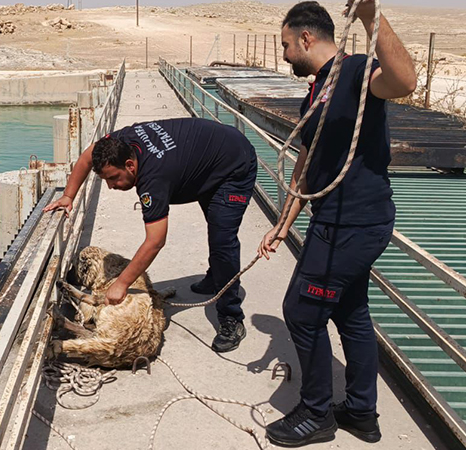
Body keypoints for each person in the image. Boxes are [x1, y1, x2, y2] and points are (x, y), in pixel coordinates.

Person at [258, 1, 416, 447]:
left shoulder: (355, 72)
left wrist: (370, 15)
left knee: (301, 311)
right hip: (339, 220)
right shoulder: (317, 91)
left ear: (306, 38)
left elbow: (405, 82)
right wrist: (284, 224)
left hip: (353, 223)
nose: (285, 54)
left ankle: (316, 413)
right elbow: (305, 165)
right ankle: (363, 414)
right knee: (352, 313)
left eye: (287, 45)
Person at [44, 117, 258, 352]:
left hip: (234, 164)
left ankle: (231, 317)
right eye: (105, 180)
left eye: (114, 178)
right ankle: (216, 276)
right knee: (216, 228)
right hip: (208, 155)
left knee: (222, 238)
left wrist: (121, 284)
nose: (111, 186)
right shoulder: (118, 142)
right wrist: (68, 196)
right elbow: (87, 157)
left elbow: (156, 241)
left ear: (130, 165)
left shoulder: (153, 179)